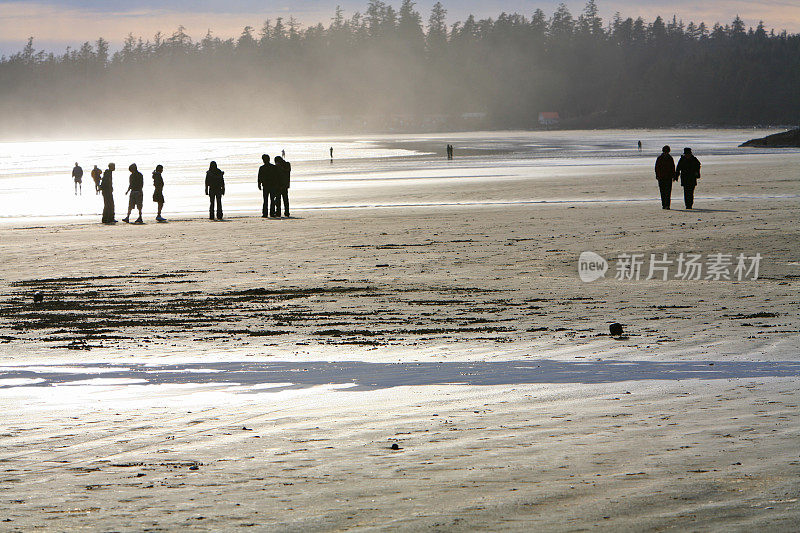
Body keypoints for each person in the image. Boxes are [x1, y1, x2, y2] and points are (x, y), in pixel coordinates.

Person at [654, 145, 676, 209]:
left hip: (666, 177)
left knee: (666, 192)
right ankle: (665, 205)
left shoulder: (667, 158)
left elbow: (672, 168)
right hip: (663, 177)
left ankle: (666, 205)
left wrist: (673, 176)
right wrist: (657, 175)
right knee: (664, 192)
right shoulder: (663, 158)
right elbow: (657, 168)